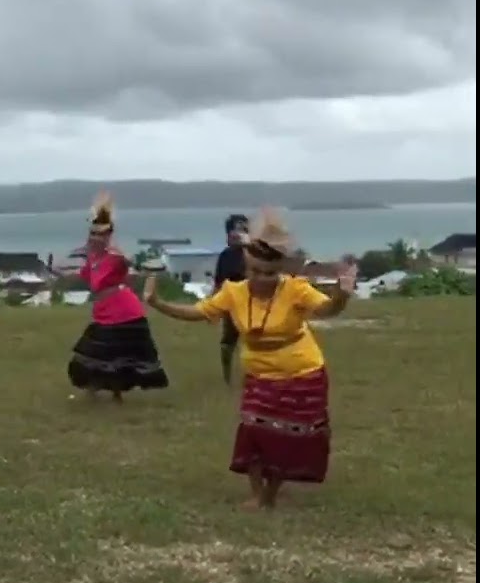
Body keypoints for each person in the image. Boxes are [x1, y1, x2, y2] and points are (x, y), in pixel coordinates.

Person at [142, 208, 356, 511]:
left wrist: (341, 296)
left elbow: (327, 311)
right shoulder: (234, 292)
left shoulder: (295, 289)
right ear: (246, 267)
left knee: (288, 438)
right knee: (253, 432)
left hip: (301, 374)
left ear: (280, 270)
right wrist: (158, 302)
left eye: (269, 273)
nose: (261, 278)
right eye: (254, 271)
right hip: (258, 375)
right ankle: (258, 494)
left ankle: (272, 491)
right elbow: (200, 312)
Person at [67, 192, 169, 401]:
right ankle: (98, 391)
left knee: (117, 355)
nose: (96, 239)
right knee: (94, 353)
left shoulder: (115, 256)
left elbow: (128, 262)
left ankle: (110, 393)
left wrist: (146, 266)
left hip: (124, 311)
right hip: (104, 309)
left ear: (108, 237)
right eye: (93, 234)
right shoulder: (93, 258)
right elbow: (86, 275)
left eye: (100, 235)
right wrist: (61, 272)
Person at [214, 214, 250, 385]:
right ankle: (227, 377)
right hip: (232, 305)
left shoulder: (256, 255)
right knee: (228, 342)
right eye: (237, 229)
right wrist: (215, 308)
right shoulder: (225, 256)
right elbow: (219, 283)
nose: (241, 233)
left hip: (254, 303)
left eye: (244, 229)